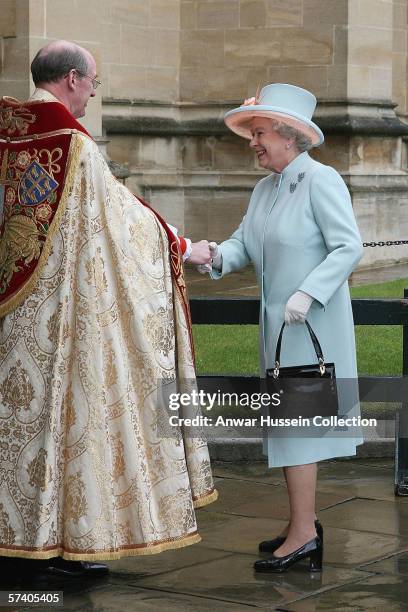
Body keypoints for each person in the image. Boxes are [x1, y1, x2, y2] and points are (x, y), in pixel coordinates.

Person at [0, 40, 217, 580]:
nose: (94, 93)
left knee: (14, 426)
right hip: (61, 314)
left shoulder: (9, 128)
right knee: (57, 422)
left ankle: (13, 541)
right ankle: (49, 551)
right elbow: (124, 218)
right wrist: (184, 247)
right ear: (72, 79)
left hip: (13, 310)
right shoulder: (72, 143)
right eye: (93, 82)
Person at [202, 83, 363, 572]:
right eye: (253, 133)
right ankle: (302, 525)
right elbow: (244, 244)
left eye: (260, 132)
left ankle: (303, 536)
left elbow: (347, 246)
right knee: (288, 429)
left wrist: (308, 292)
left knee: (298, 431)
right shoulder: (265, 188)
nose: (254, 142)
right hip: (278, 332)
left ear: (290, 136)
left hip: (312, 328)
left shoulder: (322, 180)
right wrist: (212, 254)